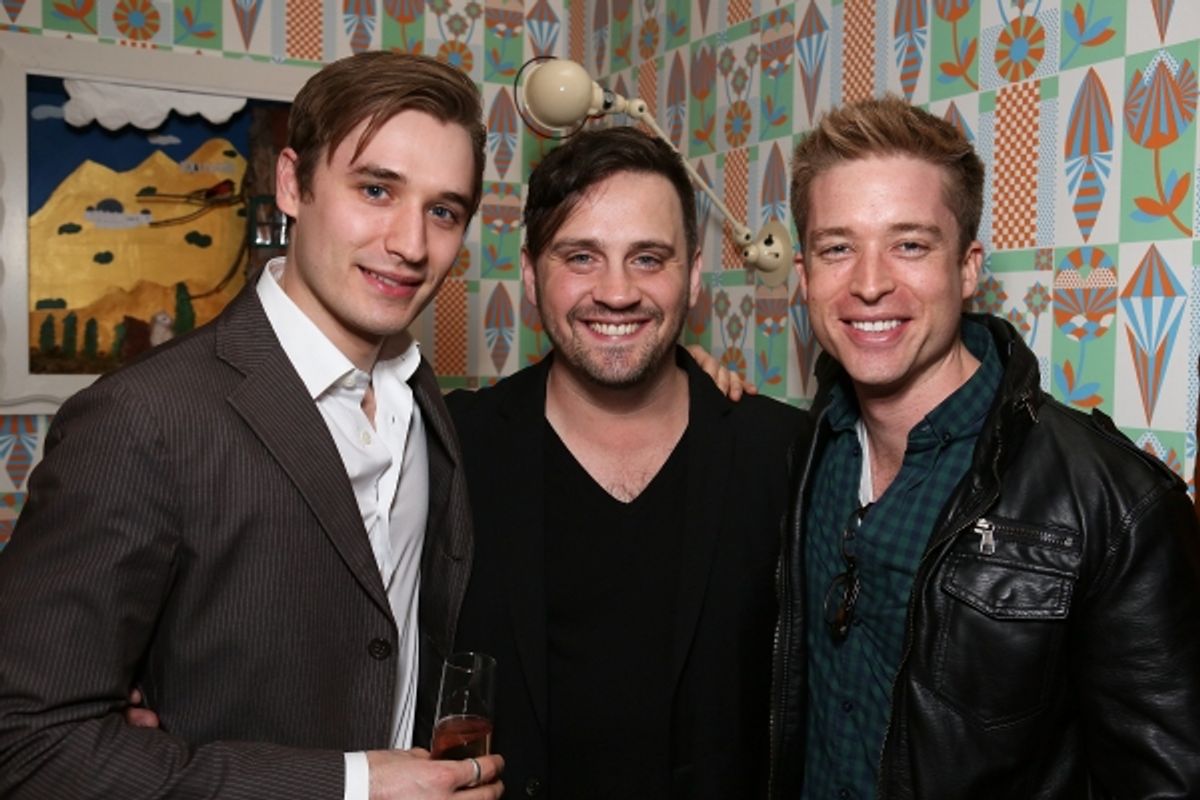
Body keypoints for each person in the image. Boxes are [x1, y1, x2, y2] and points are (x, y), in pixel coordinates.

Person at [0, 51, 503, 800]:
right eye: (375, 189)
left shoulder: (423, 399)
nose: (411, 244)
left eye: (444, 211)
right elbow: (29, 747)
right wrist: (355, 785)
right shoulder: (142, 419)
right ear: (293, 183)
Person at [768, 95, 1200, 798]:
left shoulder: (1112, 503)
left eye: (910, 244)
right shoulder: (804, 451)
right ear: (806, 276)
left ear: (968, 268)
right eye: (837, 247)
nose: (870, 283)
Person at [446, 126, 811, 799]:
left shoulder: (784, 454)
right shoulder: (452, 448)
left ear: (694, 275)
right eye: (581, 257)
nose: (616, 293)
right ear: (530, 274)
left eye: (648, 258)